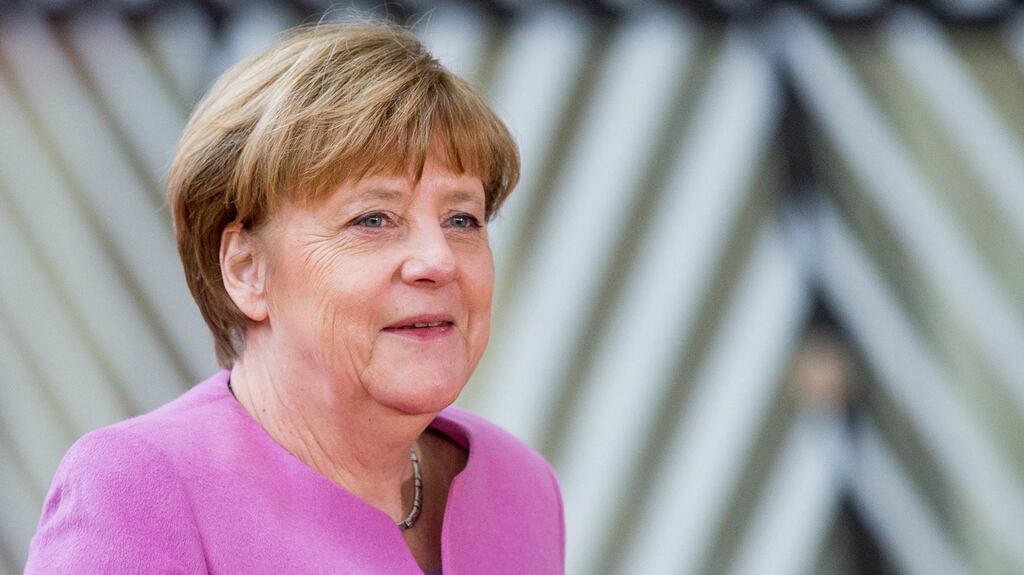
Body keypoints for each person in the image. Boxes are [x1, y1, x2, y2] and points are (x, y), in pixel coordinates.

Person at [25, 21, 564, 574]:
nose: (439, 260)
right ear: (247, 269)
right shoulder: (139, 488)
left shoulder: (520, 485)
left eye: (462, 219)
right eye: (373, 219)